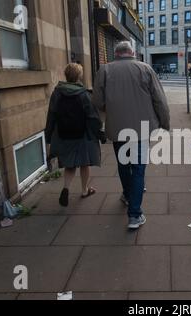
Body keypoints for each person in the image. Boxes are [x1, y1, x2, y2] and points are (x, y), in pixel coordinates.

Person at [92, 41, 170, 229]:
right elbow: (159, 99)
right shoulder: (145, 69)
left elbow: (97, 100)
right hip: (142, 129)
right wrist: (165, 122)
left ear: (116, 54)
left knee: (123, 164)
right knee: (138, 168)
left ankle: (127, 195)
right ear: (132, 53)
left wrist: (110, 109)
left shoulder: (105, 70)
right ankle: (134, 215)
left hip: (117, 128)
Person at [45, 63, 104, 207]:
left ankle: (66, 188)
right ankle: (84, 190)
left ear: (66, 75)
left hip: (63, 133)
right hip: (82, 134)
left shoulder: (57, 92)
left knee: (69, 164)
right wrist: (99, 133)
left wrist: (48, 136)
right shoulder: (84, 94)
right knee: (84, 163)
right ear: (79, 76)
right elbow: (92, 117)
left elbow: (51, 115)